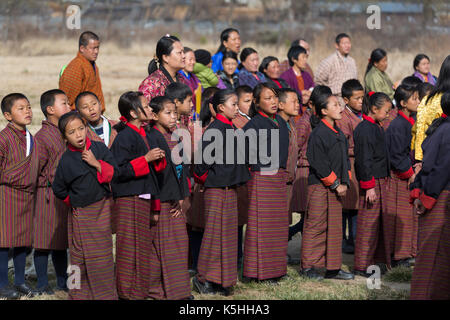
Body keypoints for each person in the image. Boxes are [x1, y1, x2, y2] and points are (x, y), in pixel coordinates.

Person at [52, 111, 118, 300]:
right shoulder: (66, 160)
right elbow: (59, 188)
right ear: (64, 137)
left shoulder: (99, 148)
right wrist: (74, 203)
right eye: (72, 132)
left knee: (102, 256)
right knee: (77, 257)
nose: (79, 135)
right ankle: (78, 294)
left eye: (81, 129)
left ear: (86, 128)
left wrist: (96, 164)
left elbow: (114, 172)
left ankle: (105, 295)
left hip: (102, 210)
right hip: (81, 213)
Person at [193, 89, 251, 296]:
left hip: (230, 191)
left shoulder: (232, 128)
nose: (237, 108)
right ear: (220, 108)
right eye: (233, 104)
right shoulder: (213, 130)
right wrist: (215, 181)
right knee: (212, 235)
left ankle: (222, 279)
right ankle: (203, 278)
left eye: (237, 104)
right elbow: (200, 168)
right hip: (216, 191)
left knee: (227, 236)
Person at [110, 91, 165, 300]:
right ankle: (127, 293)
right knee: (129, 247)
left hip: (142, 196)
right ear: (133, 112)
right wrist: (146, 159)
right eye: (146, 105)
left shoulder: (144, 133)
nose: (151, 108)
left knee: (141, 246)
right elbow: (118, 170)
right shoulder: (125, 136)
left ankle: (139, 291)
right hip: (129, 198)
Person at [301, 85, 354, 280]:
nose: (340, 107)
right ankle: (308, 267)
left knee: (335, 227)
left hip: (337, 187)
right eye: (335, 104)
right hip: (320, 187)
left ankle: (333, 267)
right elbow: (318, 162)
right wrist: (335, 183)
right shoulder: (319, 133)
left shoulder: (338, 132)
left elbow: (344, 160)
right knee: (316, 226)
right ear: (323, 111)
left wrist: (345, 181)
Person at [145, 96, 192, 300]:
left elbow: (182, 168)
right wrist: (157, 205)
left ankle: (173, 291)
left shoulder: (175, 136)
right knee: (164, 248)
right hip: (162, 201)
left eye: (175, 112)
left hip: (175, 200)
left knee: (177, 245)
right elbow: (153, 176)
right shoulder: (151, 138)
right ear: (154, 116)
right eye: (168, 113)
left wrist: (182, 196)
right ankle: (167, 293)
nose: (174, 117)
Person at [242, 83, 289, 283]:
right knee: (261, 227)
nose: (273, 102)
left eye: (275, 97)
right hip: (261, 178)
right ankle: (258, 273)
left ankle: (277, 270)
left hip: (278, 178)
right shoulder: (253, 125)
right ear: (257, 102)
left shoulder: (279, 120)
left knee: (277, 226)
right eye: (268, 98)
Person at [410, 93, 450, 300]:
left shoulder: (441, 128)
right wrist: (426, 197)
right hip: (440, 195)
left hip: (438, 193)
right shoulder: (445, 130)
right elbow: (438, 168)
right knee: (432, 254)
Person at [0, 93, 39, 299]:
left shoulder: (30, 138)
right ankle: (2, 283)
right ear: (7, 115)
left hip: (27, 196)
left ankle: (20, 281)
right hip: (6, 195)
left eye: (29, 107)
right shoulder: (3, 139)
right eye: (21, 108)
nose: (27, 111)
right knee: (4, 241)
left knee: (23, 239)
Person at [33, 89, 71, 296]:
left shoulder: (64, 131)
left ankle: (63, 282)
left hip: (63, 195)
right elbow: (36, 170)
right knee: (43, 242)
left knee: (61, 242)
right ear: (50, 109)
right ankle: (41, 284)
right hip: (46, 195)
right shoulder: (42, 137)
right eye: (64, 103)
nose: (69, 107)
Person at [353, 92, 392, 277]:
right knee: (368, 225)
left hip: (379, 181)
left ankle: (376, 262)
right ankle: (362, 265)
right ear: (374, 109)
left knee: (377, 223)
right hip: (372, 183)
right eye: (386, 111)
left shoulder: (375, 126)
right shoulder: (365, 128)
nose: (387, 114)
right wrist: (369, 186)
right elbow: (364, 160)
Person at [385, 85, 420, 268]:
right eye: (414, 99)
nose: (418, 102)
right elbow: (397, 155)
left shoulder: (409, 122)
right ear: (403, 103)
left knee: (409, 216)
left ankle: (408, 252)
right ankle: (399, 256)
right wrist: (410, 173)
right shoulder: (399, 125)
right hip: (400, 178)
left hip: (408, 175)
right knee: (402, 217)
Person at [185, 87, 219, 275]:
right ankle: (197, 263)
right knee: (198, 225)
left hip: (213, 184)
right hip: (200, 185)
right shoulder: (197, 130)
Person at [288, 87, 324, 240]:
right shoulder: (304, 122)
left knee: (311, 216)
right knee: (309, 215)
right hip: (305, 170)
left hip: (313, 169)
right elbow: (296, 147)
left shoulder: (316, 120)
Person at [336, 79, 365, 254]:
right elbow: (343, 146)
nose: (361, 102)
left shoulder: (361, 114)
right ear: (346, 100)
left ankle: (354, 239)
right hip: (349, 165)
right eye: (357, 98)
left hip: (358, 166)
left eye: (362, 98)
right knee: (345, 207)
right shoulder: (343, 118)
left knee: (354, 206)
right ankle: (344, 240)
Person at [414, 55, 450, 164]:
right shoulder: (434, 100)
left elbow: (420, 132)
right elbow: (421, 131)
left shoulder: (428, 100)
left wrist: (420, 160)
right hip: (439, 159)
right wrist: (420, 161)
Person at [59, 31, 105, 112]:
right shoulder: (76, 67)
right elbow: (68, 100)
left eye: (97, 48)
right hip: (78, 117)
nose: (96, 51)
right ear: (82, 49)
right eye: (93, 48)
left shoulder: (92, 65)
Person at [277, 88, 300, 244]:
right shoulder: (276, 124)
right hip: (278, 180)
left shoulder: (291, 122)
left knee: (285, 218)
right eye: (294, 101)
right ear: (281, 105)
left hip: (289, 178)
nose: (298, 105)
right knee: (277, 219)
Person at [139, 35, 187, 101]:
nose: (184, 56)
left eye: (183, 52)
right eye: (179, 53)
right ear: (165, 57)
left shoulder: (182, 79)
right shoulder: (151, 84)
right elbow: (144, 109)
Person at [315, 33, 357, 97]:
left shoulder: (352, 61)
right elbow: (318, 80)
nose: (347, 46)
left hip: (350, 99)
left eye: (348, 43)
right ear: (337, 45)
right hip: (335, 98)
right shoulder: (329, 61)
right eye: (344, 43)